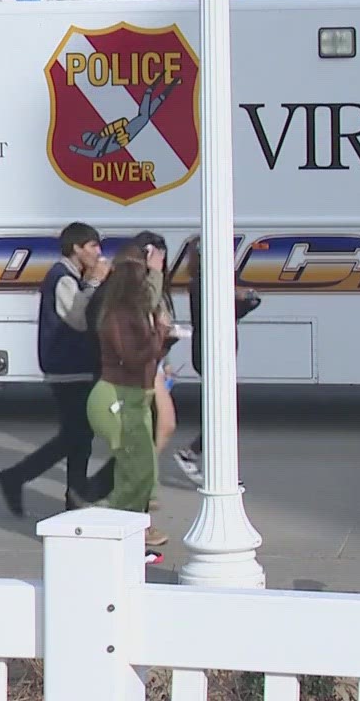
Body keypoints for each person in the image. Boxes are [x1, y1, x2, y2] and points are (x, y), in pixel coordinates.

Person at [0, 222, 110, 517]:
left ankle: (74, 497)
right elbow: (79, 319)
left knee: (79, 436)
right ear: (76, 248)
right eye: (93, 246)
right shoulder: (62, 279)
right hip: (67, 368)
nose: (98, 253)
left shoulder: (72, 277)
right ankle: (19, 477)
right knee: (76, 435)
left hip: (78, 367)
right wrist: (95, 282)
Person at [84, 257, 174, 554]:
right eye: (144, 278)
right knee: (135, 470)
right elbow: (132, 357)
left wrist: (162, 341)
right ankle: (112, 527)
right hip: (117, 398)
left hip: (134, 396)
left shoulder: (133, 312)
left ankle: (131, 528)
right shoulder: (119, 315)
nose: (149, 284)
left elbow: (146, 356)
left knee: (140, 471)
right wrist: (160, 334)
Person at [171, 236, 260, 485]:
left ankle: (205, 462)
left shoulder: (219, 280)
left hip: (221, 351)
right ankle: (198, 460)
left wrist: (245, 297)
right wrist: (236, 294)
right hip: (210, 353)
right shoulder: (201, 283)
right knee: (222, 412)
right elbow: (218, 307)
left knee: (223, 410)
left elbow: (245, 304)